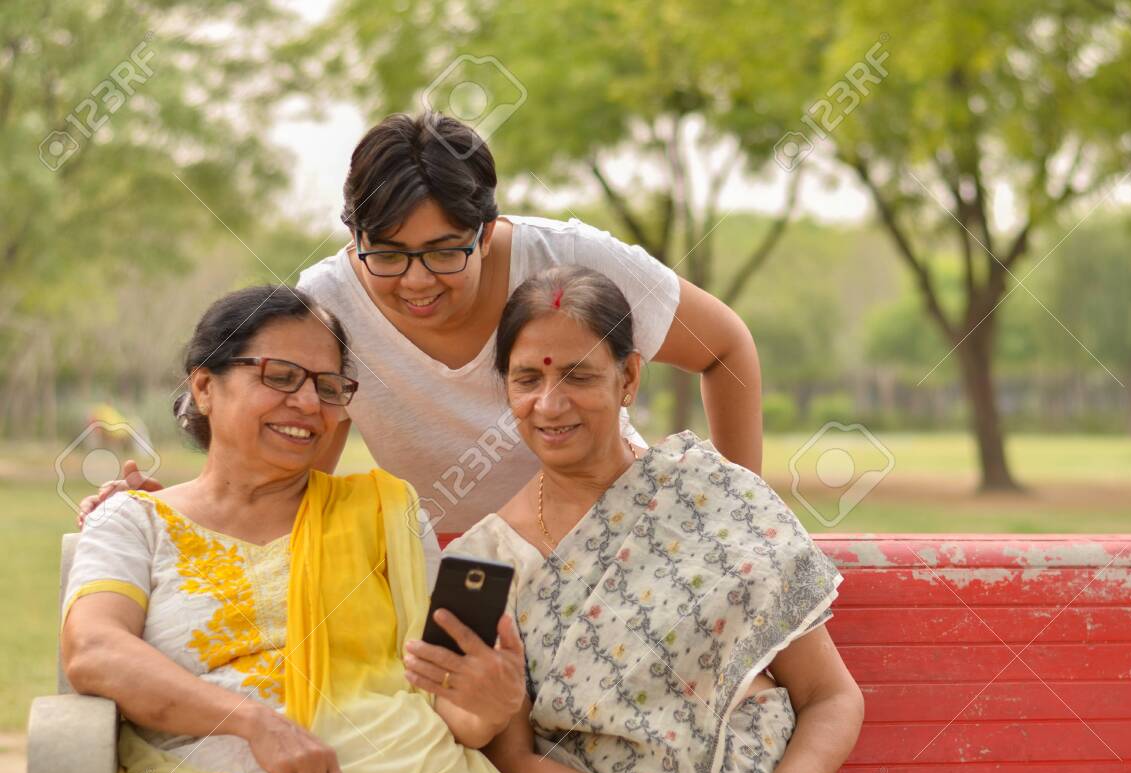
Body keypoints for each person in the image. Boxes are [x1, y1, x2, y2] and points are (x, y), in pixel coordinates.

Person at [80, 111, 762, 532]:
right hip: (457, 566)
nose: (416, 281)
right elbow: (294, 473)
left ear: (486, 229)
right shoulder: (326, 306)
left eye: (443, 252)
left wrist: (745, 521)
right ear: (354, 237)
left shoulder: (567, 259)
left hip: (613, 534)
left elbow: (725, 347)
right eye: (387, 254)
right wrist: (171, 512)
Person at [61, 285, 541, 773]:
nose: (310, 403)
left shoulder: (385, 513)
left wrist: (490, 703)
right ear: (205, 386)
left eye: (328, 386)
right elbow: (94, 649)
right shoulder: (134, 521)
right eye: (281, 376)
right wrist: (255, 723)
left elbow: (444, 706)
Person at [404, 267, 866, 773]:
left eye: (578, 375)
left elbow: (830, 695)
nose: (550, 403)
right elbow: (514, 757)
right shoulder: (482, 562)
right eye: (527, 379)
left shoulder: (713, 493)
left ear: (628, 378)